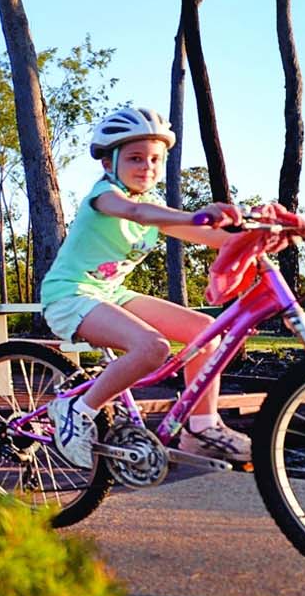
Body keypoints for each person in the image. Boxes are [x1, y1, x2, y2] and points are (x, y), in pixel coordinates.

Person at [43, 106, 259, 468]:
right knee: (152, 347)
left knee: (205, 331)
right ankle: (75, 411)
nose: (147, 167)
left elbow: (204, 235)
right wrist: (197, 214)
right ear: (109, 164)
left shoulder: (153, 204)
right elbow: (138, 214)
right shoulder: (105, 196)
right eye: (135, 158)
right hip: (70, 294)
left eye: (155, 159)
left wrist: (254, 236)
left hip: (111, 293)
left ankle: (201, 429)